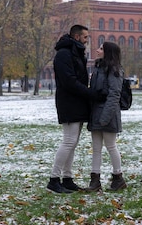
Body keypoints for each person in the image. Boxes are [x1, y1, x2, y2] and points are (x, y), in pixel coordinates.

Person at [46, 24, 93, 194]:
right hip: (69, 102)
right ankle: (54, 179)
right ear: (76, 36)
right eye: (85, 37)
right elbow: (69, 81)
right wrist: (88, 93)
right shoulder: (64, 54)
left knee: (72, 143)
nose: (87, 40)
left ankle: (67, 178)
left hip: (77, 101)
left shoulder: (75, 52)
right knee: (68, 142)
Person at [86, 42, 127, 191]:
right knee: (96, 148)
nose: (97, 50)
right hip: (96, 112)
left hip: (108, 114)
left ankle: (118, 178)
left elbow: (114, 94)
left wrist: (105, 117)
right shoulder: (98, 68)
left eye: (101, 49)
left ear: (108, 52)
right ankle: (95, 180)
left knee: (111, 146)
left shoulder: (114, 70)